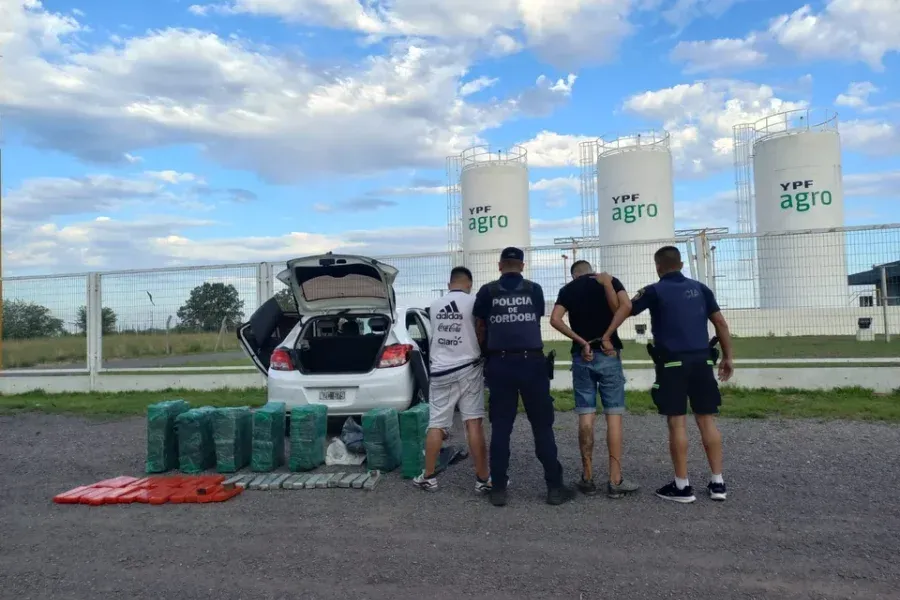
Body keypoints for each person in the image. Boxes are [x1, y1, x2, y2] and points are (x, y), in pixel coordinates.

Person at [606, 246, 734, 504]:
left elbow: (625, 308)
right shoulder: (700, 288)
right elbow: (720, 323)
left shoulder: (654, 290)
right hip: (702, 360)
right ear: (682, 264)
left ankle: (682, 486)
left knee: (677, 422)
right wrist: (729, 357)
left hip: (672, 363)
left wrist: (609, 285)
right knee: (706, 420)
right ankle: (718, 482)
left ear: (658, 266)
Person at [473, 247, 574, 507]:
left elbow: (480, 327)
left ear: (499, 266)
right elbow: (535, 317)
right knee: (542, 426)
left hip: (500, 363)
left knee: (501, 428)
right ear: (522, 265)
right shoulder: (534, 289)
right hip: (532, 363)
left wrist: (487, 355)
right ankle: (554, 487)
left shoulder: (487, 291)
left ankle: (498, 489)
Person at [550, 260, 641, 499]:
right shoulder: (608, 280)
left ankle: (587, 477)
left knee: (586, 414)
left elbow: (555, 319)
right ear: (591, 270)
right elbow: (625, 306)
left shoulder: (568, 290)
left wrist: (581, 341)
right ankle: (615, 480)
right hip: (610, 353)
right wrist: (607, 336)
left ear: (574, 275)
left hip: (582, 355)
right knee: (614, 416)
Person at [413, 266, 491, 494]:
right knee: (473, 422)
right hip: (469, 368)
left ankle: (428, 477)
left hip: (440, 371)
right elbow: (480, 331)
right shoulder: (474, 302)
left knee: (436, 423)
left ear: (449, 284)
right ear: (469, 284)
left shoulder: (435, 305)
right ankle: (483, 479)